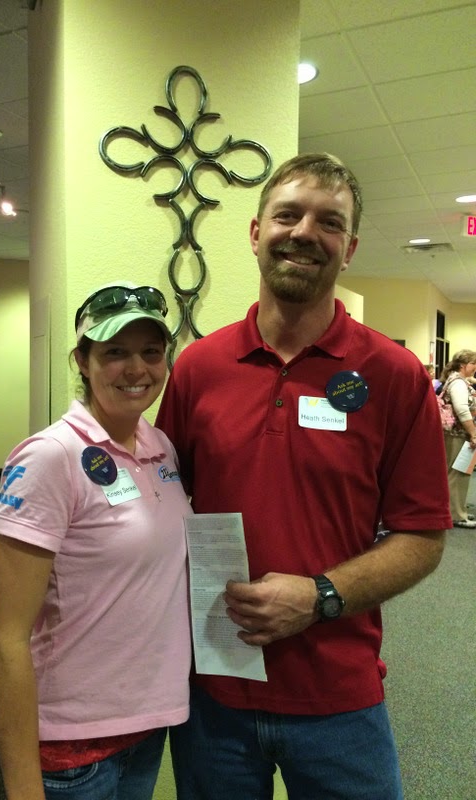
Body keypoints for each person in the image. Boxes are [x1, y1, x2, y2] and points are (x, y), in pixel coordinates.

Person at [156, 153, 452, 800]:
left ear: (349, 249)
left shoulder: (394, 375)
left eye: (329, 222)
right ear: (256, 232)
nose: (305, 233)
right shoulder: (199, 368)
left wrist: (319, 596)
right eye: (287, 215)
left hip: (338, 697)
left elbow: (424, 537)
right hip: (215, 692)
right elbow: (161, 509)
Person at [0, 282, 191, 800]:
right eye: (115, 352)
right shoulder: (49, 457)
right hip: (72, 749)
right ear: (82, 360)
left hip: (145, 728)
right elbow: (4, 643)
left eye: (151, 351)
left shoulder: (160, 447)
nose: (136, 368)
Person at [438, 349, 476, 528]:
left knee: (456, 472)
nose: (475, 367)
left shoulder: (457, 380)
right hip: (458, 434)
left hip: (456, 434)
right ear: (462, 365)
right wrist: (473, 432)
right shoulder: (458, 383)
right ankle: (457, 515)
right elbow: (462, 410)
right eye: (473, 363)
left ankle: (457, 510)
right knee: (458, 473)